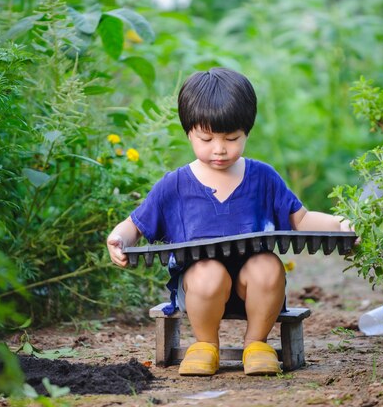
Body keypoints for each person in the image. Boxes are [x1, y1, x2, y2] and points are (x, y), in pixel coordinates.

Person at [107, 67, 354, 377]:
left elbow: (301, 219)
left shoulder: (262, 177)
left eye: (232, 138)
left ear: (246, 132)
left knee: (268, 265)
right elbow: (135, 225)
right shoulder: (175, 185)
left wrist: (339, 223)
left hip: (256, 290)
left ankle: (256, 344)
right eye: (207, 138)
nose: (220, 148)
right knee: (207, 272)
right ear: (189, 133)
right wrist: (118, 240)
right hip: (200, 291)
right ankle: (206, 345)